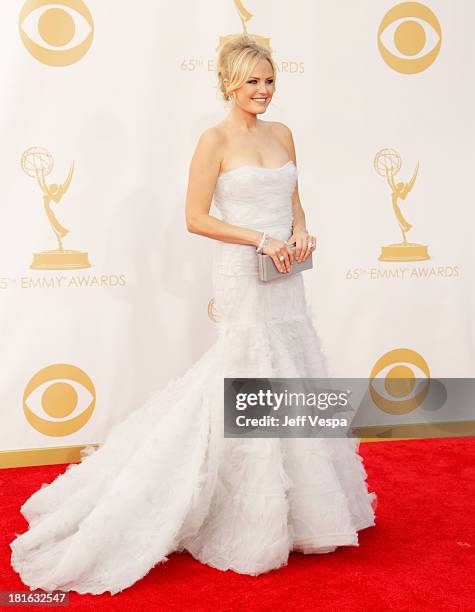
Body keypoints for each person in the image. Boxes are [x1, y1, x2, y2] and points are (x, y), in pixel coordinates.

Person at [9, 34, 377, 596]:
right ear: (229, 83)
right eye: (252, 81)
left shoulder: (284, 134)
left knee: (292, 367)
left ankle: (306, 510)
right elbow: (194, 217)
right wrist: (258, 238)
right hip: (242, 272)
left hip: (285, 274)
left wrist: (300, 233)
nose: (263, 91)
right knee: (246, 373)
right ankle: (240, 515)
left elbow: (295, 200)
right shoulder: (213, 140)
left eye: (270, 81)